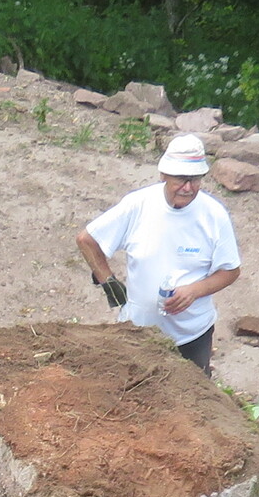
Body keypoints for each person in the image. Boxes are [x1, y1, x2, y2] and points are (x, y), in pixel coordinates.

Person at [75, 133, 242, 373]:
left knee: (191, 394)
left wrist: (194, 291)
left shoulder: (214, 214)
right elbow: (87, 240)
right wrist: (109, 283)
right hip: (138, 333)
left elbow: (230, 270)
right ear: (164, 175)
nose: (188, 188)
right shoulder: (138, 205)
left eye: (195, 180)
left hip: (192, 335)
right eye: (181, 179)